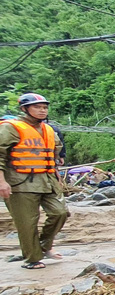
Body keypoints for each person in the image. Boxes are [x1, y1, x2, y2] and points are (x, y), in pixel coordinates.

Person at [0, 93, 69, 269]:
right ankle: (32, 259)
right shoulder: (10, 128)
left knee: (60, 212)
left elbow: (53, 156)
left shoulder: (48, 129)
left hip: (46, 179)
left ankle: (44, 247)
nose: (42, 110)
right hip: (19, 181)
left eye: (44, 107)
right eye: (37, 107)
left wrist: (58, 177)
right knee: (27, 222)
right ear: (24, 109)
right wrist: (2, 182)